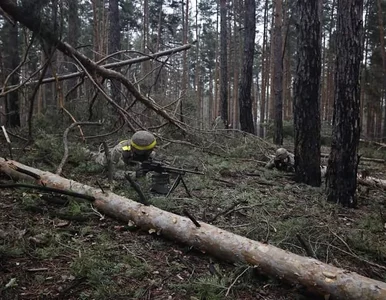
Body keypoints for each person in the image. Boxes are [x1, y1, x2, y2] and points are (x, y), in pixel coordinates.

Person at [112, 130, 170, 195]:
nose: (149, 153)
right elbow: (111, 173)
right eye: (144, 152)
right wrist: (134, 174)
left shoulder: (150, 153)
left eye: (150, 150)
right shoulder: (119, 151)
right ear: (134, 149)